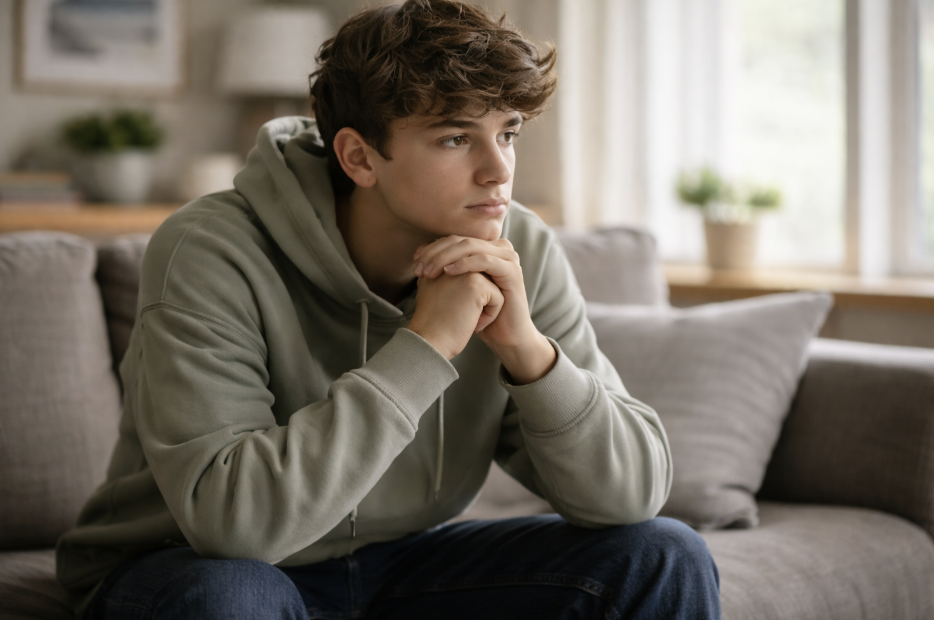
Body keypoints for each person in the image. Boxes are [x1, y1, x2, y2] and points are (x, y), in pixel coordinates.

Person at [56, 1, 721, 618]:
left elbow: (631, 496)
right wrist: (425, 347)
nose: (498, 170)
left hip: (397, 562)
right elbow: (235, 526)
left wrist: (527, 351)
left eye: (508, 132)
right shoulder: (211, 249)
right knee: (230, 598)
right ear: (359, 157)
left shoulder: (518, 248)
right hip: (191, 564)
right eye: (456, 138)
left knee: (663, 555)